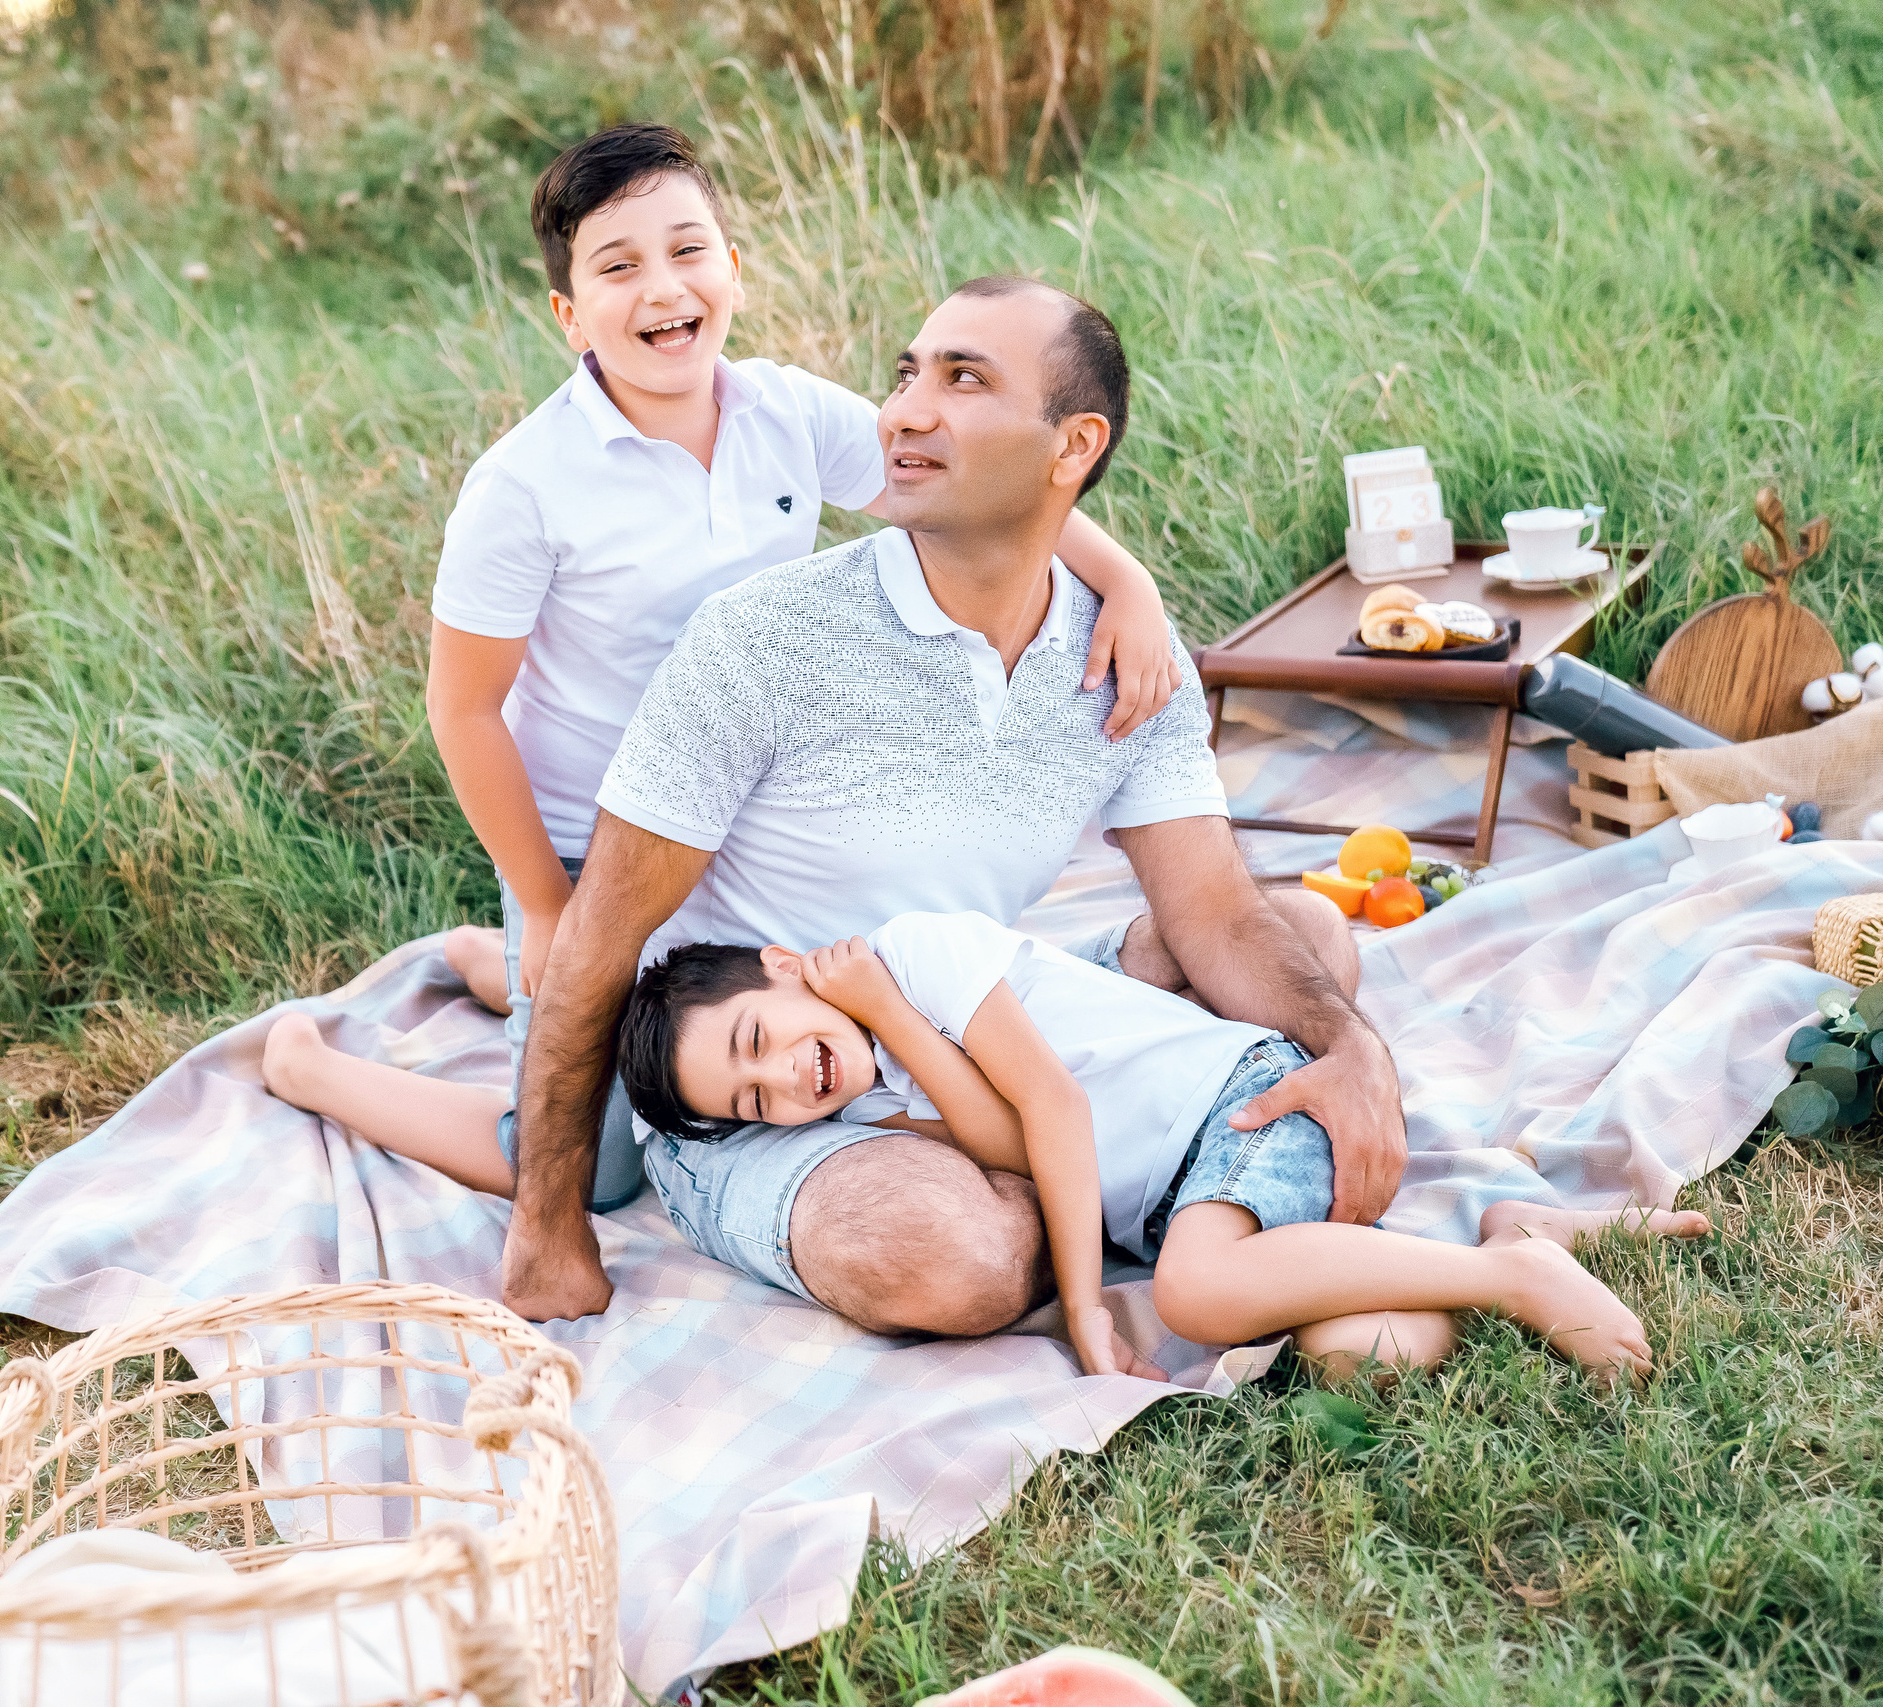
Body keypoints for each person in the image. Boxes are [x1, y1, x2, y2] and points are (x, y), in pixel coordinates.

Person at [264, 125, 1181, 1206]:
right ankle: (325, 1059)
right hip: (591, 846)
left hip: (748, 818)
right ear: (570, 318)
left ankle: (488, 961)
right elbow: (464, 710)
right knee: (590, 1167)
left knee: (852, 1019)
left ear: (732, 271)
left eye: (688, 250)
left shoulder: (783, 412)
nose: (663, 288)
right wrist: (548, 901)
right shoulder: (525, 487)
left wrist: (1129, 585)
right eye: (617, 267)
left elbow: (959, 488)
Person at [499, 276, 1394, 1331]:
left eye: (962, 379)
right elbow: (600, 931)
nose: (905, 410)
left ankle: (1103, 1179)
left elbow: (1215, 916)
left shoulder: (1125, 658)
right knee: (948, 1259)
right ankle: (1093, 1190)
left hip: (973, 1007)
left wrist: (1356, 1057)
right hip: (787, 1081)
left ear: (1073, 447)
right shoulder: (765, 638)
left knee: (1305, 936)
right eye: (905, 374)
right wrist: (545, 1222)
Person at [613, 918, 1710, 1377]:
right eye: (753, 1103)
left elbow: (1053, 1112)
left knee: (1191, 1291)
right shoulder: (865, 1097)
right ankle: (1500, 1228)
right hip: (1191, 1182)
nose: (782, 1081)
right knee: (1367, 1352)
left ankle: (1508, 1275)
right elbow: (999, 1141)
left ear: (785, 965)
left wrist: (1087, 1303)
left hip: (1237, 1105)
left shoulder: (919, 951)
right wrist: (889, 1046)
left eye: (757, 1041)